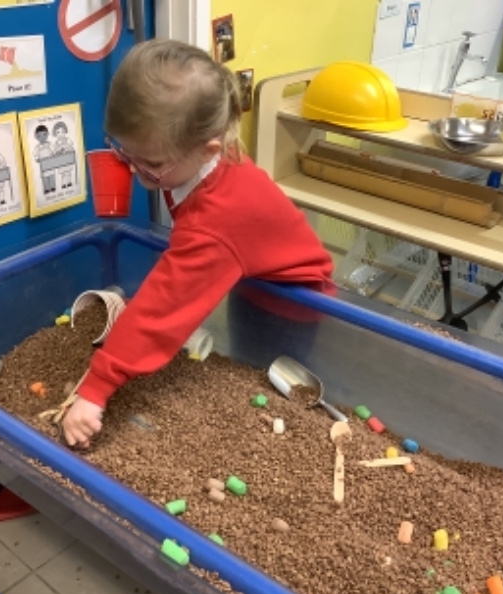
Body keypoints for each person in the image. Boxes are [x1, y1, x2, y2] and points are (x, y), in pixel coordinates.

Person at [62, 39, 334, 448]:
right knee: (244, 363)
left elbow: (159, 311)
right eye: (125, 152)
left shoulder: (216, 220)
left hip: (293, 301)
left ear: (207, 149)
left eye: (152, 164)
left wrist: (95, 390)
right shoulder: (207, 155)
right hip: (253, 281)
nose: (135, 171)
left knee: (272, 383)